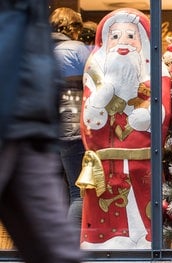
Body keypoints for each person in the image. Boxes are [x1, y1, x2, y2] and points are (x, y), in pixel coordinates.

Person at [0, 0, 86, 263]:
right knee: (75, 194)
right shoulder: (76, 49)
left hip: (30, 121)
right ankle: (79, 240)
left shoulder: (45, 40)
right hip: (38, 121)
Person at [78, 8, 171, 249]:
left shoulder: (155, 71)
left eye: (131, 36)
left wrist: (150, 115)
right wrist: (99, 101)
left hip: (143, 159)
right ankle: (106, 244)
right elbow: (89, 121)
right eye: (116, 36)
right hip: (107, 161)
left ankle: (147, 244)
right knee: (106, 212)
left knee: (144, 205)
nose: (123, 43)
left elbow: (163, 108)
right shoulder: (95, 73)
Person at [50, 7, 91, 237]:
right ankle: (68, 245)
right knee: (78, 192)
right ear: (73, 27)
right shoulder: (77, 50)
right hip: (72, 128)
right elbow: (95, 84)